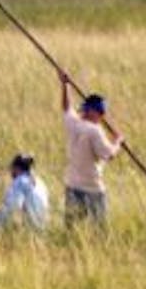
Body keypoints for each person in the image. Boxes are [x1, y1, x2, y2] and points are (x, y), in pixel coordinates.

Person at [59, 71, 124, 226]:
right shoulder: (95, 131)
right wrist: (118, 142)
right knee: (99, 230)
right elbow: (108, 155)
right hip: (92, 188)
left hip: (72, 185)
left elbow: (66, 107)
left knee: (72, 228)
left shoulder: (74, 124)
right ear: (96, 112)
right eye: (101, 113)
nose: (102, 116)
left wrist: (65, 85)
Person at [0, 153, 49, 231]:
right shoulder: (41, 182)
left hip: (30, 229)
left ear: (17, 168)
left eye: (12, 168)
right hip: (43, 227)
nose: (11, 171)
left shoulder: (19, 182)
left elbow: (12, 206)